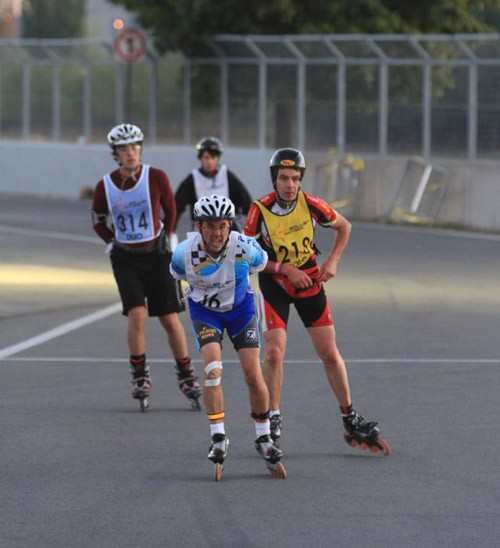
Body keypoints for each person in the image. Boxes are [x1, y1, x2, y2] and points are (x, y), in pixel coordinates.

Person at [244, 148, 391, 455]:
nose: (290, 185)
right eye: (284, 178)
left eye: (295, 178)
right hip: (276, 285)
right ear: (275, 179)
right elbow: (246, 255)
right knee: (273, 353)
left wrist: (333, 262)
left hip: (310, 283)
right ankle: (272, 416)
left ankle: (349, 416)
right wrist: (284, 269)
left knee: (329, 353)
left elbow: (345, 226)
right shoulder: (260, 209)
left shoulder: (311, 204)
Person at [170, 194, 287, 479]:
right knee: (212, 369)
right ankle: (218, 436)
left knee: (252, 373)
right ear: (199, 227)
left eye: (222, 225)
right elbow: (175, 276)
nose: (217, 232)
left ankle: (263, 436)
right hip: (205, 312)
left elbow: (263, 266)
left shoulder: (245, 247)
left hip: (240, 309)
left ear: (229, 224)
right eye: (209, 226)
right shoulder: (183, 253)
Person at [90, 123, 201, 410]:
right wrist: (110, 242)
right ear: (115, 154)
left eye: (135, 147)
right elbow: (98, 218)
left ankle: (186, 373)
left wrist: (172, 237)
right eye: (124, 149)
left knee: (168, 317)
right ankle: (139, 376)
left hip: (157, 254)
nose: (130, 153)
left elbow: (171, 207)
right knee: (137, 314)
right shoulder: (106, 185)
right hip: (126, 258)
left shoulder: (155, 176)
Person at [174, 137, 252, 233]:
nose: (209, 161)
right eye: (206, 157)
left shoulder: (227, 176)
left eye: (213, 158)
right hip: (202, 230)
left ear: (218, 158)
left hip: (227, 229)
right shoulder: (192, 179)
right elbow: (176, 206)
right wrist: (171, 230)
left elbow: (247, 202)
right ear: (200, 158)